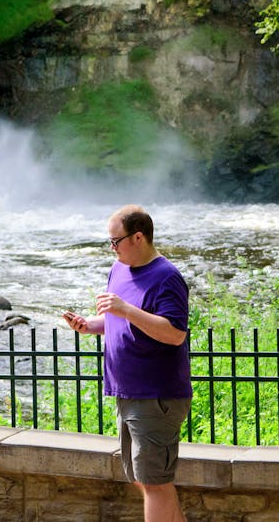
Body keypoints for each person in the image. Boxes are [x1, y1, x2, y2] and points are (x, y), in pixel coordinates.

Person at [63, 206, 191, 522]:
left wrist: (126, 309)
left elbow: (175, 333)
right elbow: (116, 321)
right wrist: (89, 325)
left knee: (153, 481)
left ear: (138, 237)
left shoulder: (167, 277)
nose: (112, 248)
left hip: (155, 394)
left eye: (116, 241)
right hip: (127, 391)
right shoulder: (118, 268)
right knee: (143, 478)